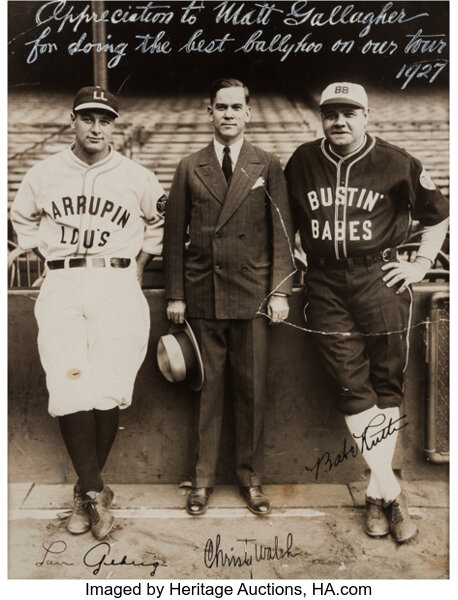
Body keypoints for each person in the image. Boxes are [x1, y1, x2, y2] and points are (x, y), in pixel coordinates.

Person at [285, 82, 449, 543]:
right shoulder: (302, 160)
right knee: (351, 386)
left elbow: (438, 215)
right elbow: (283, 222)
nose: (339, 121)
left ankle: (378, 496)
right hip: (324, 281)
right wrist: (293, 257)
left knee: (386, 382)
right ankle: (391, 492)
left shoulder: (397, 161)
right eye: (331, 113)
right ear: (321, 117)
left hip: (380, 278)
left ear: (367, 115)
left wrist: (418, 263)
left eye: (349, 112)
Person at [11, 86, 165, 539]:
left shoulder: (137, 176)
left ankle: (85, 493)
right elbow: (21, 221)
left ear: (114, 124)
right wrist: (47, 258)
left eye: (105, 119)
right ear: (72, 120)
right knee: (69, 384)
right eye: (87, 118)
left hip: (116, 281)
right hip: (62, 282)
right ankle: (96, 492)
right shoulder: (43, 172)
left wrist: (138, 266)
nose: (96, 127)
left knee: (108, 388)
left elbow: (158, 225)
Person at [164, 78, 294, 516]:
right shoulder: (189, 166)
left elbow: (282, 234)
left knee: (251, 393)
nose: (229, 115)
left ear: (249, 113)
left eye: (237, 107)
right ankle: (201, 481)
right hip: (203, 296)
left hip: (254, 297)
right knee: (207, 391)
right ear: (209, 112)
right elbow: (172, 236)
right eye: (221, 107)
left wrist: (279, 291)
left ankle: (250, 479)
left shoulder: (268, 164)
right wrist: (177, 294)